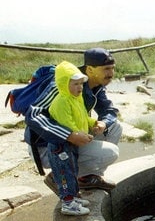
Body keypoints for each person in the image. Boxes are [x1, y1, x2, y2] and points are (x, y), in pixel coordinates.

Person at [26, 48, 121, 193]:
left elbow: (109, 111)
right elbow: (32, 114)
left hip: (71, 137)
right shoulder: (64, 84)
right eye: (106, 69)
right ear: (90, 69)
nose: (111, 74)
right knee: (111, 152)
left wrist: (103, 123)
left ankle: (87, 178)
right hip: (48, 146)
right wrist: (69, 134)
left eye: (112, 68)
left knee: (114, 126)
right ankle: (58, 176)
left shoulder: (95, 85)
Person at [48, 62, 99, 215]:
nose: (80, 88)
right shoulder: (62, 101)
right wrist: (81, 134)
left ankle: (73, 197)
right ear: (63, 84)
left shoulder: (76, 98)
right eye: (75, 84)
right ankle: (67, 203)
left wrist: (94, 122)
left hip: (71, 144)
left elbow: (82, 117)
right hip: (61, 146)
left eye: (81, 84)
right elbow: (68, 126)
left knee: (73, 170)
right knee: (64, 174)